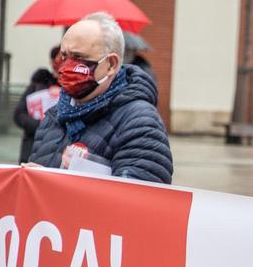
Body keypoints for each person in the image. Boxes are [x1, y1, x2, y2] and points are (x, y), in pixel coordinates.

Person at [26, 11, 172, 183]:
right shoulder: (53, 118)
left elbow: (140, 202)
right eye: (64, 56)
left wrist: (56, 187)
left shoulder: (139, 123)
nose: (66, 66)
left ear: (111, 64)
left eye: (79, 57)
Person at [13, 46, 62, 164]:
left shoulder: (73, 88)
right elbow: (19, 114)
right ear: (52, 62)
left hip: (57, 151)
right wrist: (41, 125)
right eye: (60, 58)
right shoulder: (38, 84)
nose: (62, 63)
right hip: (32, 145)